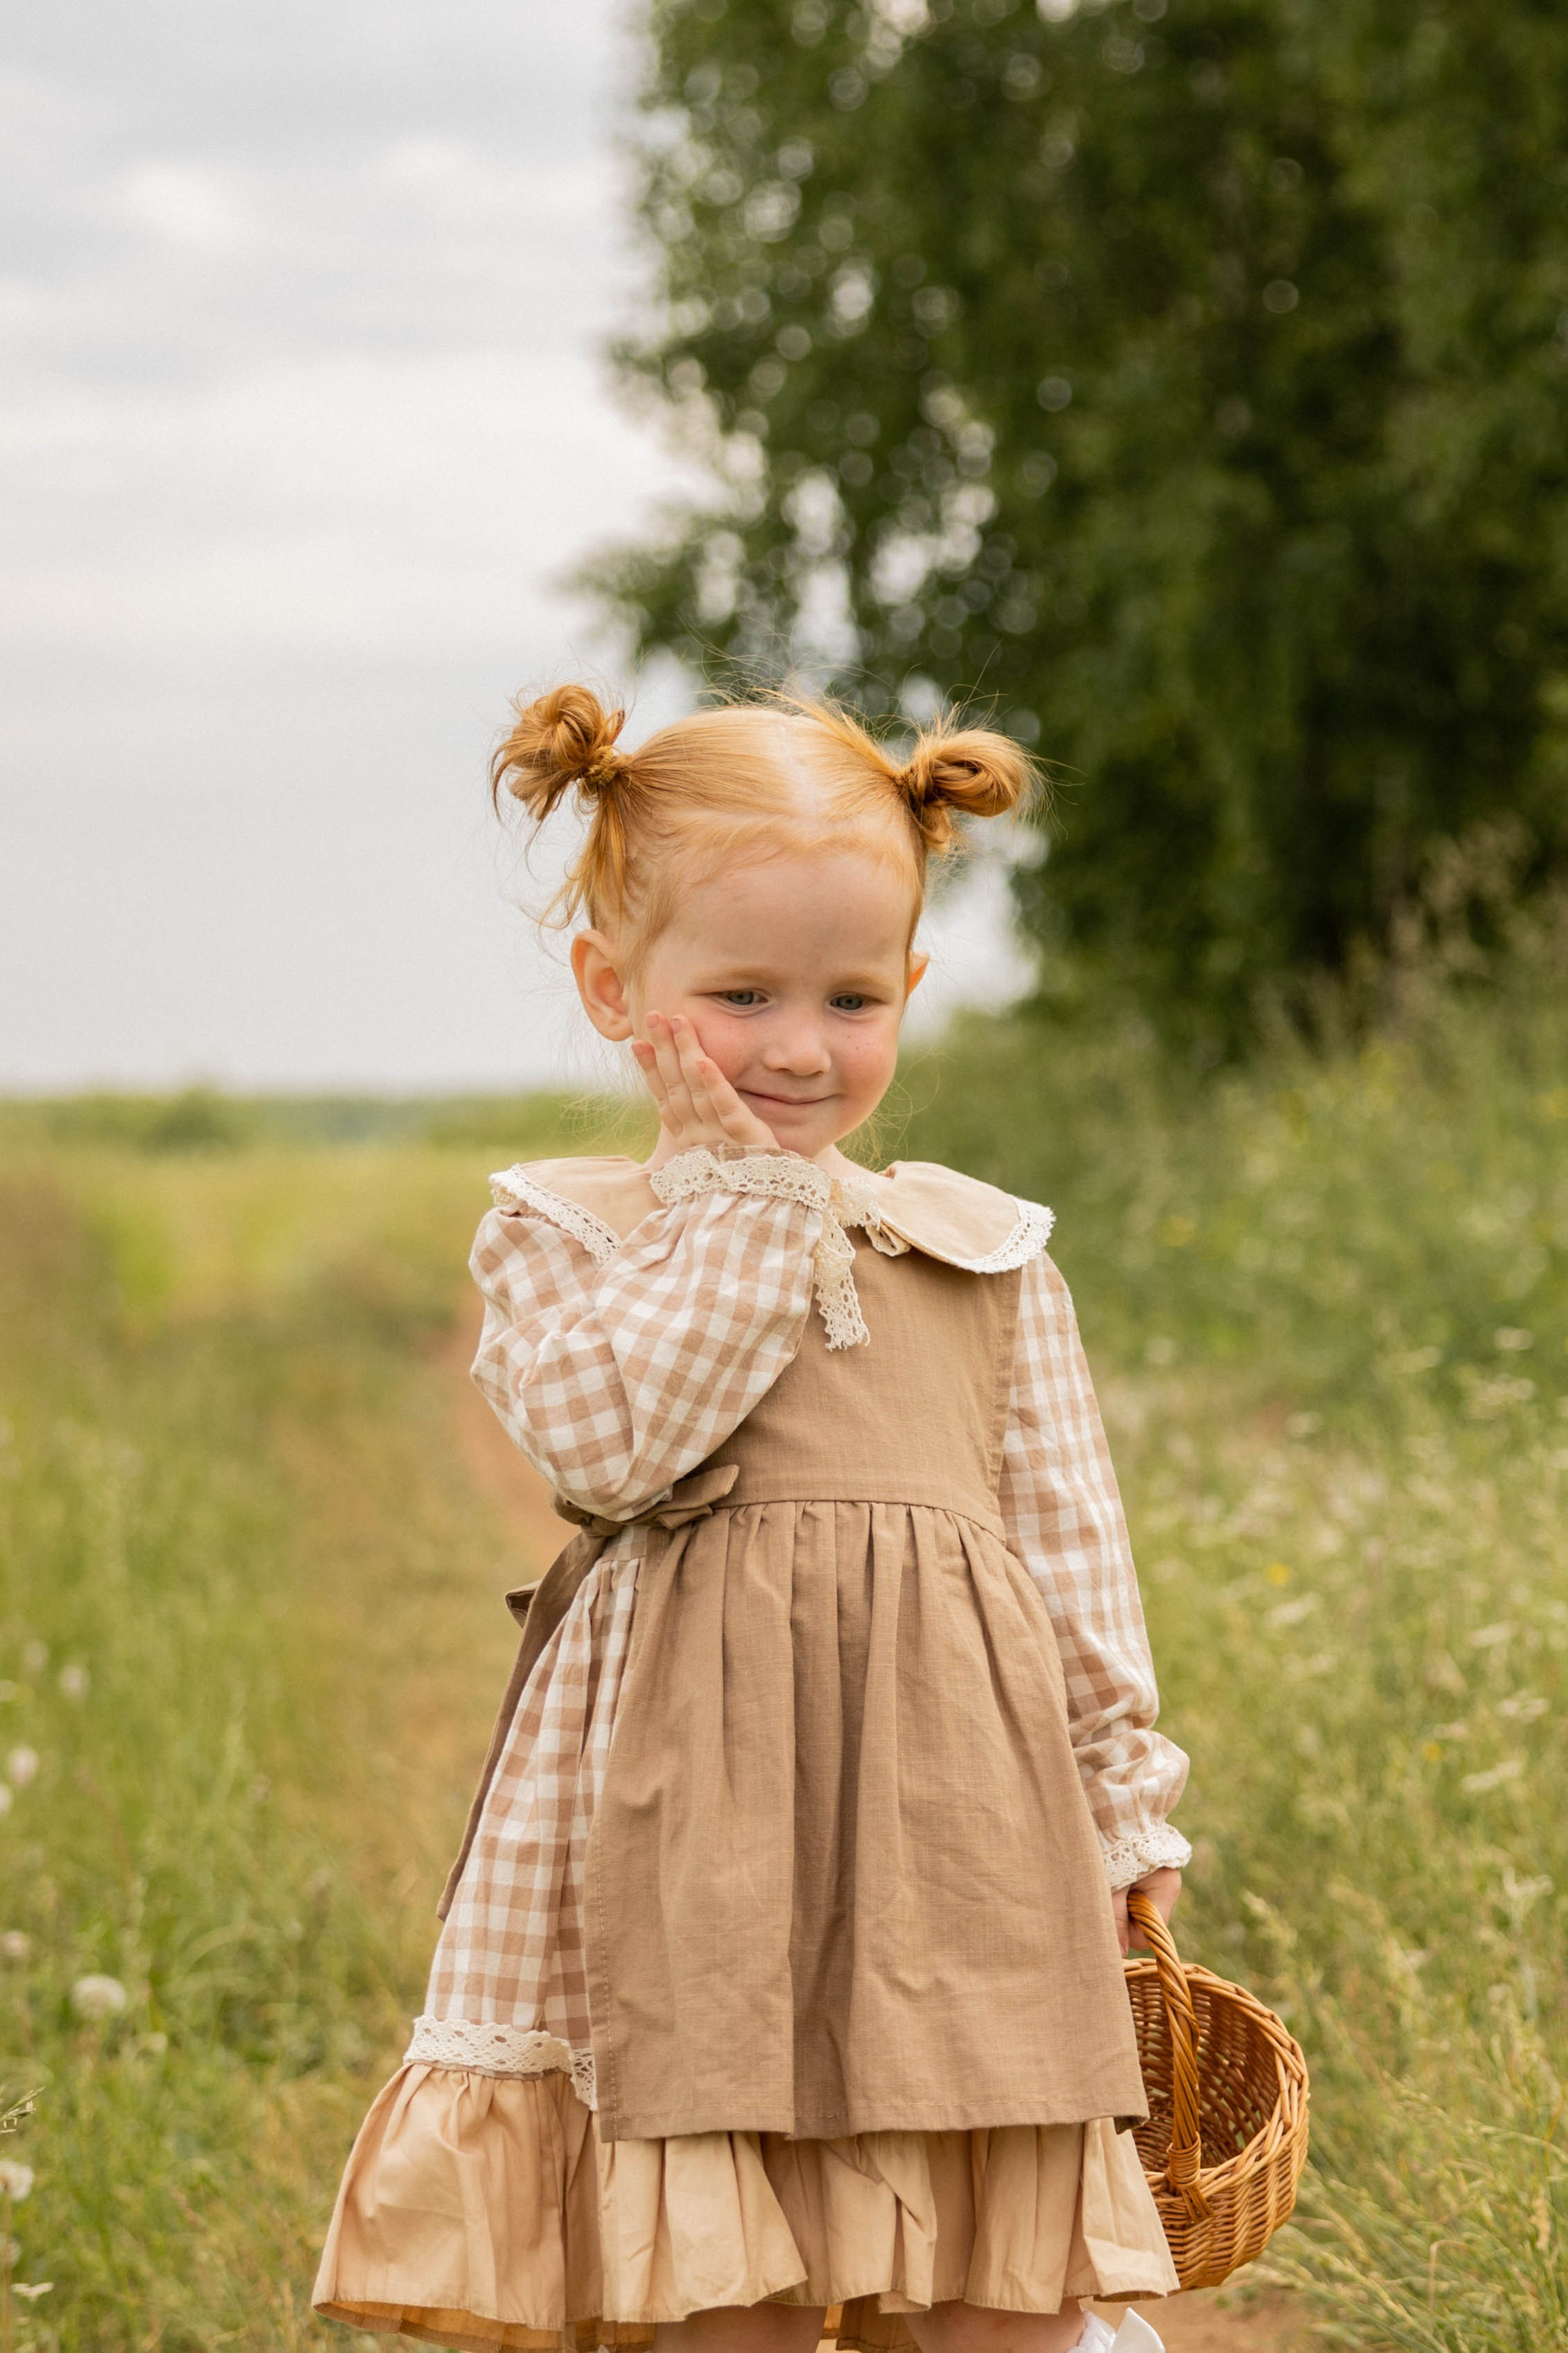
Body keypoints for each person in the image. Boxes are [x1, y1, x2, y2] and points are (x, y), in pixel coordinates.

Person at [314, 687, 1191, 2353]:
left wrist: (1121, 1816)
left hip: (959, 1852)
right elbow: (615, 1447)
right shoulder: (573, 1239)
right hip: (696, 1859)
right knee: (729, 2296)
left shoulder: (983, 1255)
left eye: (851, 998)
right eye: (742, 996)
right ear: (614, 990)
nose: (798, 1047)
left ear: (908, 990)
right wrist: (745, 1212)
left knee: (995, 2291)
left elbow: (1073, 1566)